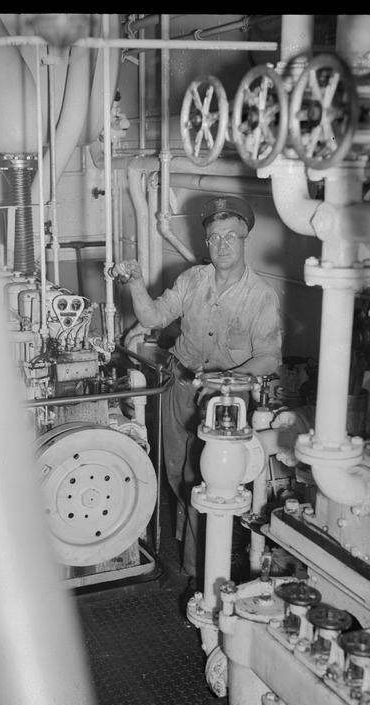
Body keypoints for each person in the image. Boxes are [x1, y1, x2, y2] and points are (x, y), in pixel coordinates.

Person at [115, 196, 282, 588]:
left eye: (230, 237)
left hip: (225, 400)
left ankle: (198, 572)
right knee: (176, 473)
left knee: (205, 480)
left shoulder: (261, 296)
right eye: (214, 238)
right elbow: (154, 317)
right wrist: (137, 283)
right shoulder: (192, 281)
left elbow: (269, 357)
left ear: (244, 241)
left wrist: (228, 380)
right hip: (180, 385)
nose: (222, 245)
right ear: (206, 242)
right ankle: (196, 548)